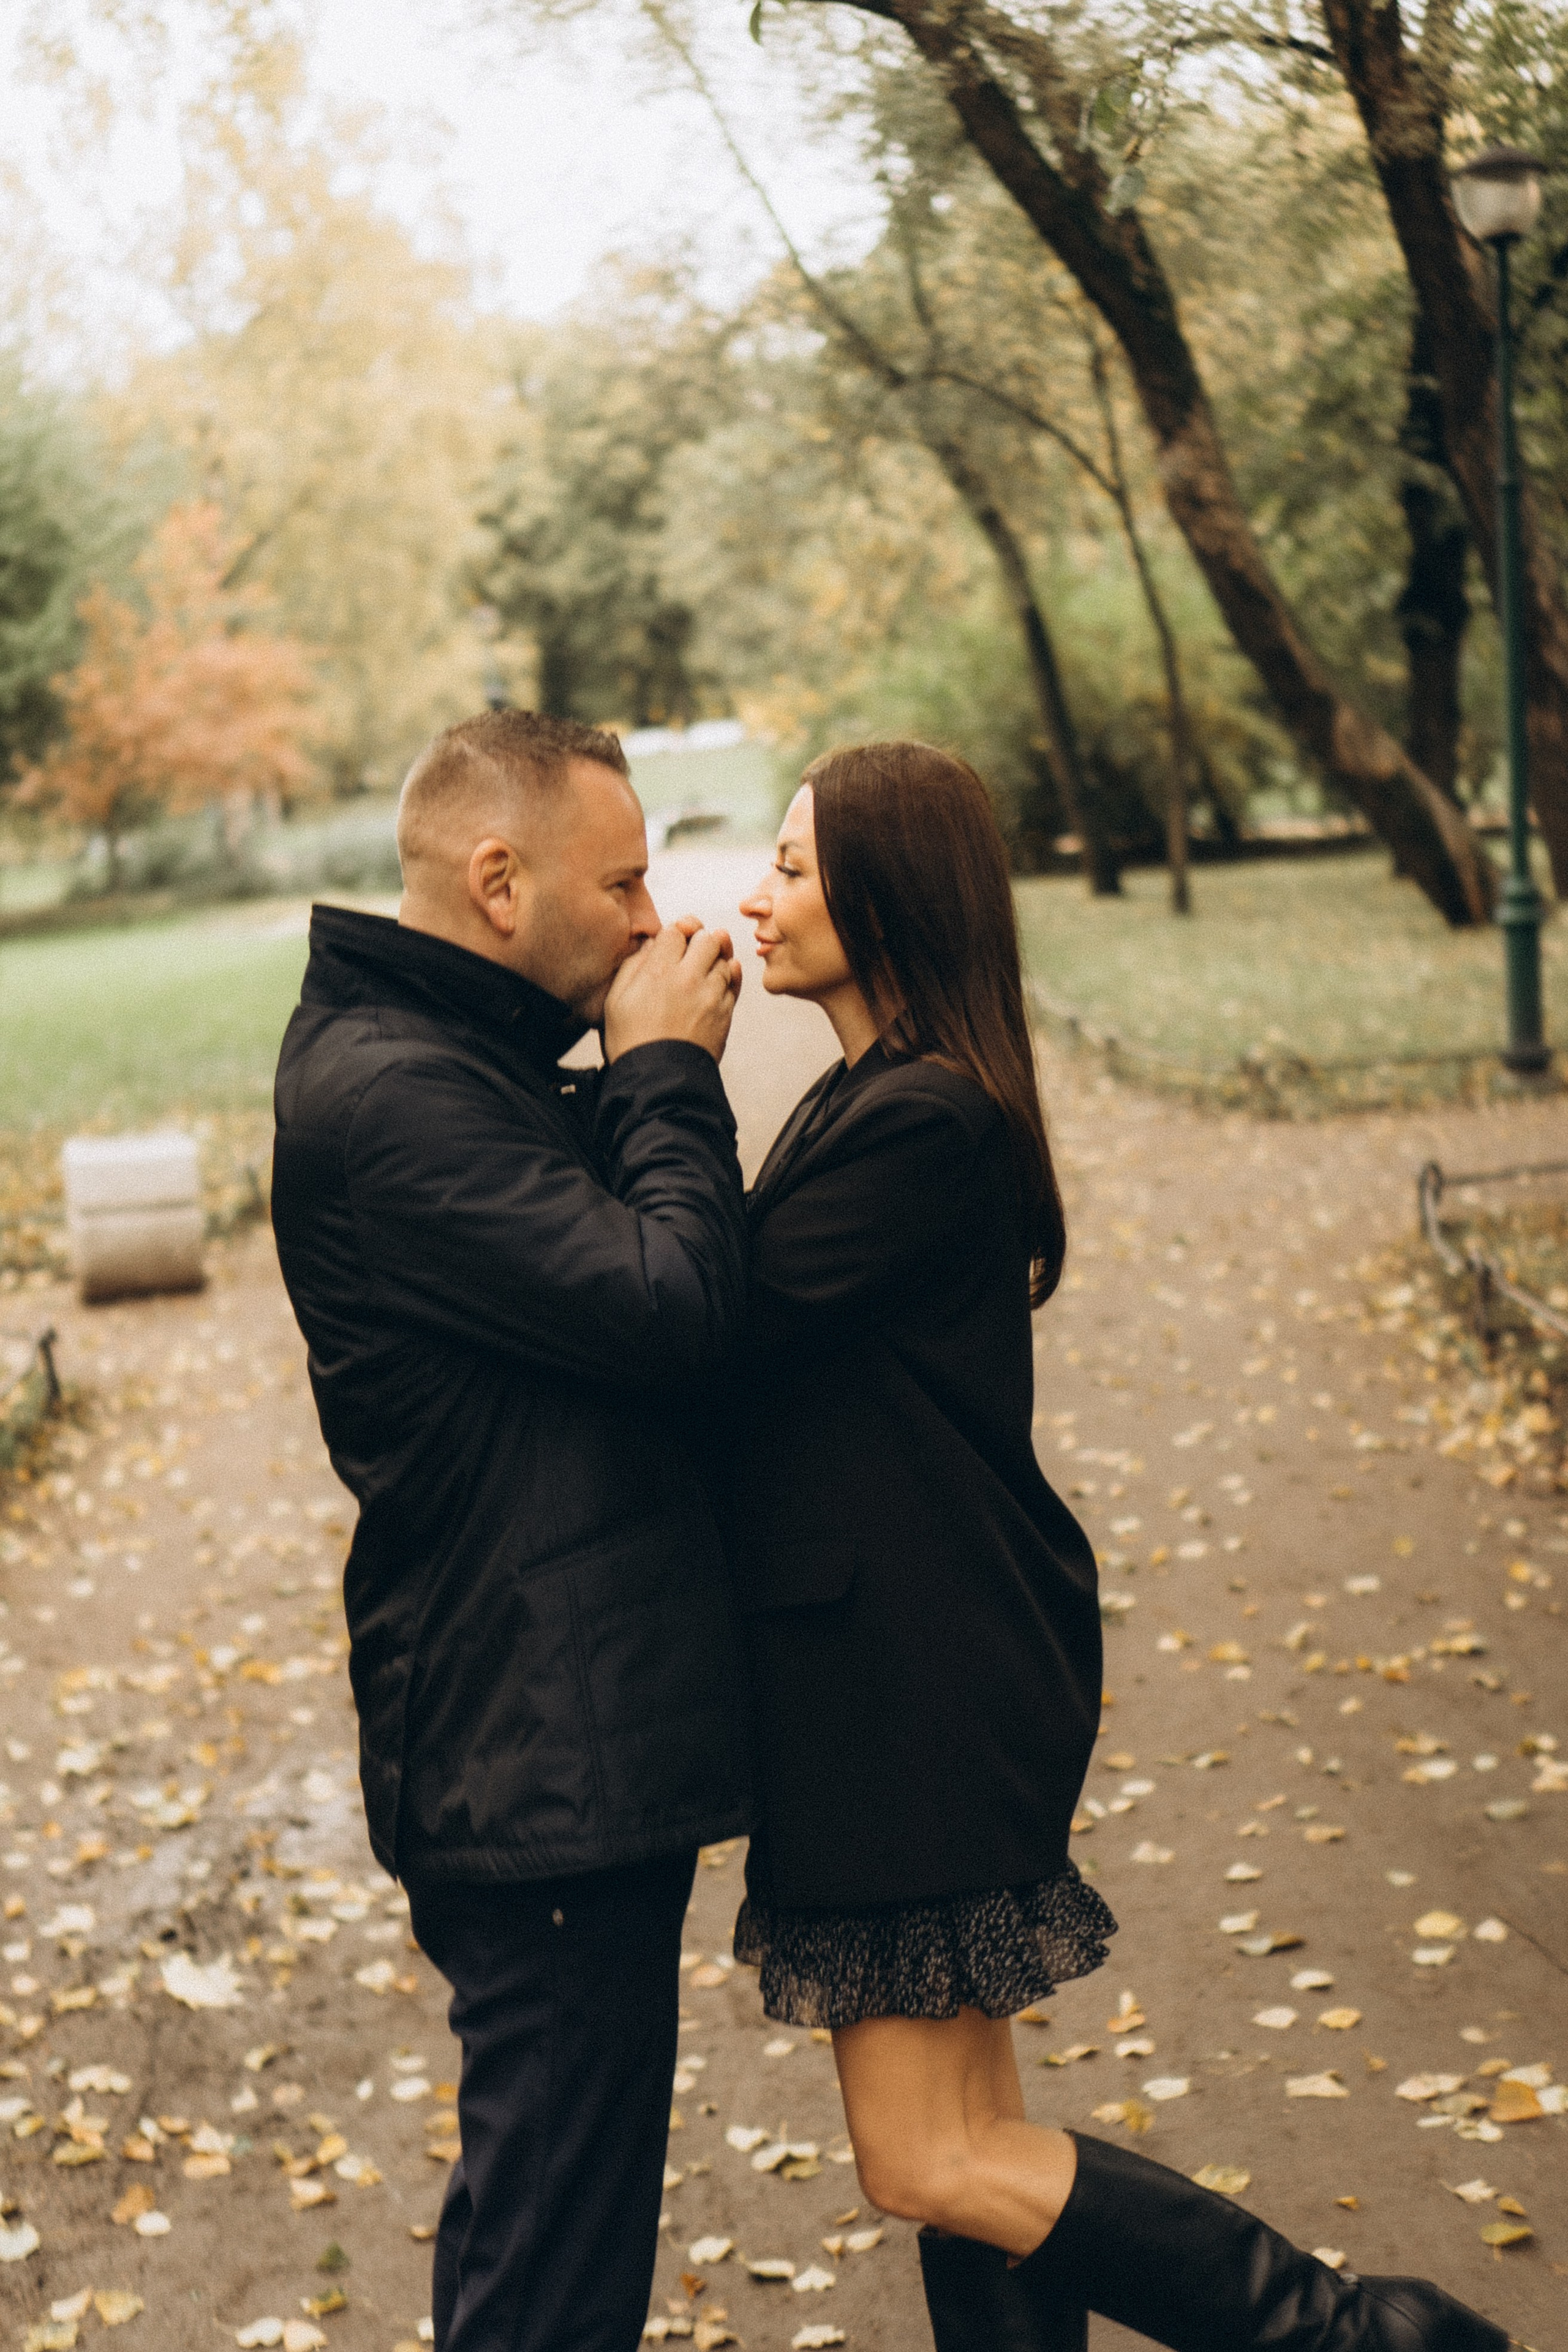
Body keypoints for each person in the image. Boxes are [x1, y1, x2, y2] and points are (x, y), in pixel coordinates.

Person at [730, 741, 1512, 2352]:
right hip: (918, 1665)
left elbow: (706, 1324)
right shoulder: (880, 1097)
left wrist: (660, 1078)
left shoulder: (920, 1126)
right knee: (972, 2142)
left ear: (894, 895)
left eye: (796, 866)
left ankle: (1353, 2335)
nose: (755, 894)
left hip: (911, 1681)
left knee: (926, 2157)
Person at [270, 709, 753, 2352]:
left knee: (535, 2234)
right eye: (620, 881)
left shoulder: (444, 1057)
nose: (647, 916)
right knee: (552, 2277)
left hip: (544, 1743)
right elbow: (673, 1304)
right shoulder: (401, 1099)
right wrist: (670, 1071)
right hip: (537, 1760)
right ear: (497, 879)